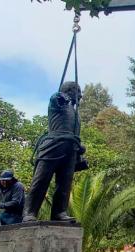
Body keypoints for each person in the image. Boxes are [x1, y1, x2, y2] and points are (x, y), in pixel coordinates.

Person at [23, 81, 87, 222]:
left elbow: (74, 133)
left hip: (70, 150)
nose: (81, 96)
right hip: (53, 146)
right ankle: (29, 212)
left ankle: (59, 212)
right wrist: (61, 96)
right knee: (41, 180)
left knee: (65, 183)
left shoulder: (76, 114)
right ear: (68, 91)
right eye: (78, 91)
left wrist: (80, 146)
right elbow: (55, 98)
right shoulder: (57, 103)